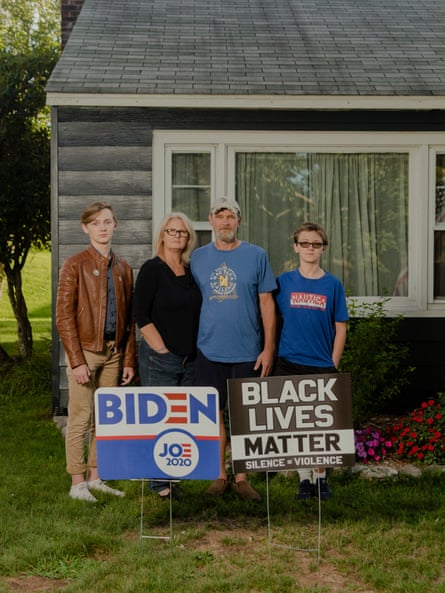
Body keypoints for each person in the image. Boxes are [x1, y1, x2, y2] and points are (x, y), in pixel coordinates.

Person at [191, 197, 277, 502]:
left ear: (239, 221)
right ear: (211, 221)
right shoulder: (198, 258)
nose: (225, 222)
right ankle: (219, 475)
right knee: (214, 415)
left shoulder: (256, 256)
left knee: (243, 417)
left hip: (247, 351)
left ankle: (242, 478)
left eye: (231, 217)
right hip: (209, 349)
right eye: (220, 216)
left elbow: (267, 303)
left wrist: (268, 348)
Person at [56, 201, 136, 502]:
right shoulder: (74, 264)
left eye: (107, 222)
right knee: (80, 415)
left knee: (105, 419)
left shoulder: (124, 268)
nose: (103, 227)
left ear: (116, 225)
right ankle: (77, 482)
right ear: (85, 228)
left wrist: (128, 359)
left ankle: (96, 476)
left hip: (114, 352)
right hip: (86, 351)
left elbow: (129, 321)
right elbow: (63, 317)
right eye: (96, 223)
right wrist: (76, 360)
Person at [274, 221, 348, 500]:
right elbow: (271, 319)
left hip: (321, 363)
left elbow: (341, 326)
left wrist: (334, 361)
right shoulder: (284, 282)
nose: (310, 248)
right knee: (294, 424)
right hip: (289, 360)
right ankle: (304, 479)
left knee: (320, 426)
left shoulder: (333, 284)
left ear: (323, 248)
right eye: (304, 243)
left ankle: (321, 477)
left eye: (315, 244)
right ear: (296, 247)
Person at [133, 212, 202, 499]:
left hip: (189, 358)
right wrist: (160, 347)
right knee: (159, 418)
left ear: (188, 238)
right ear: (162, 234)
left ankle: (172, 477)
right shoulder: (152, 269)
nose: (177, 236)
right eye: (172, 231)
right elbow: (141, 314)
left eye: (182, 232)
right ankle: (158, 484)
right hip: (160, 357)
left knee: (179, 419)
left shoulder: (189, 270)